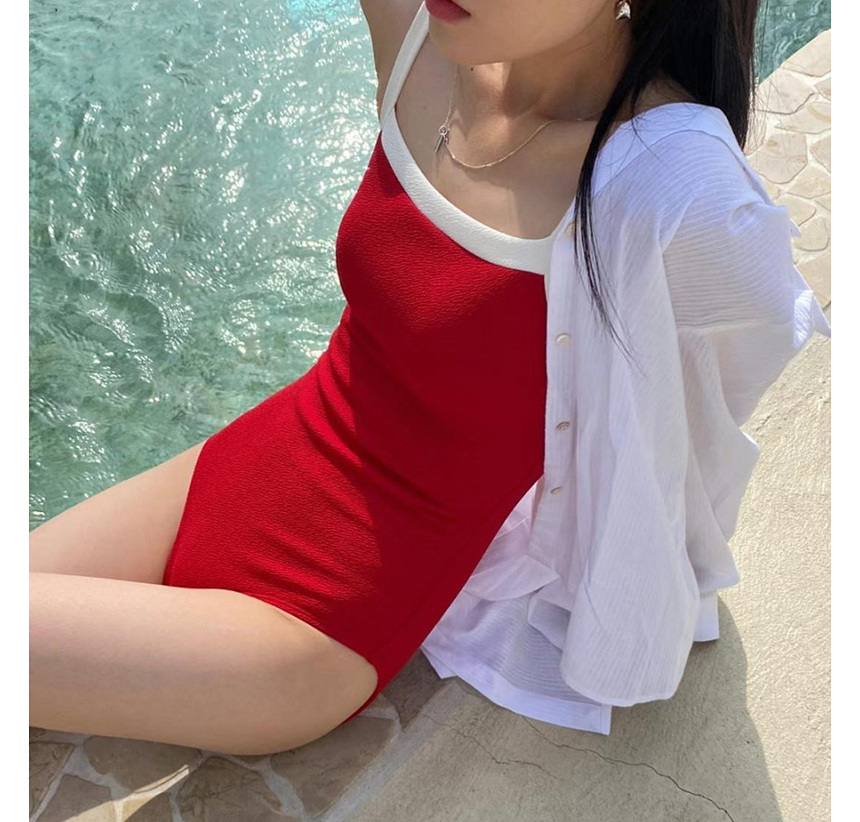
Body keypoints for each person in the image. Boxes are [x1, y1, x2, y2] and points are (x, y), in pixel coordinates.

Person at [29, 0, 830, 755]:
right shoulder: (426, 35)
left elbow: (724, 373)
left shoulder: (666, 181)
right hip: (232, 471)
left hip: (309, 633)